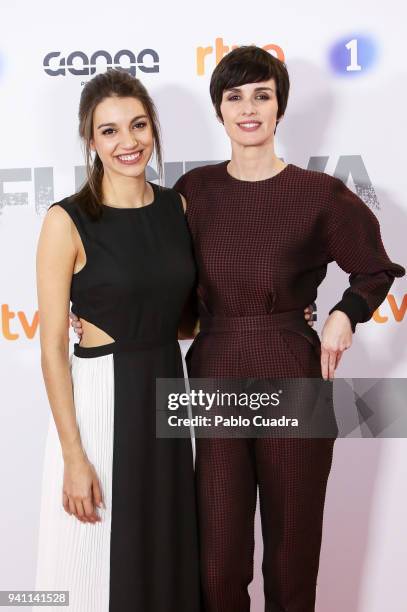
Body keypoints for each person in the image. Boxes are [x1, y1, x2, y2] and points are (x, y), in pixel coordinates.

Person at [171, 46, 404, 612]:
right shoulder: (192, 193)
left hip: (294, 373)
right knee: (217, 559)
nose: (248, 108)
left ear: (280, 108)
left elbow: (375, 268)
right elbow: (158, 280)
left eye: (262, 95)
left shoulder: (318, 194)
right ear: (219, 110)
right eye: (235, 97)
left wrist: (344, 313)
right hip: (217, 372)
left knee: (292, 552)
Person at [35, 69, 201, 612]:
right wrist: (73, 455)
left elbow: (180, 321)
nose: (127, 142)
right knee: (93, 558)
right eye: (109, 131)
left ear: (152, 126)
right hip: (101, 394)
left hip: (166, 389)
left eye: (137, 125)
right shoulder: (67, 220)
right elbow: (53, 347)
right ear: (90, 140)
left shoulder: (175, 207)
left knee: (164, 548)